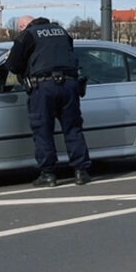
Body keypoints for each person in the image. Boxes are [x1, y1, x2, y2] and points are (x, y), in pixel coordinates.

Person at [7, 15, 92, 187]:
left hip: (43, 88)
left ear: (25, 25)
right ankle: (80, 172)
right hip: (69, 85)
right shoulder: (61, 31)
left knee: (43, 130)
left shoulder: (28, 35)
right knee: (73, 128)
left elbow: (13, 65)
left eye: (20, 27)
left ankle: (48, 174)